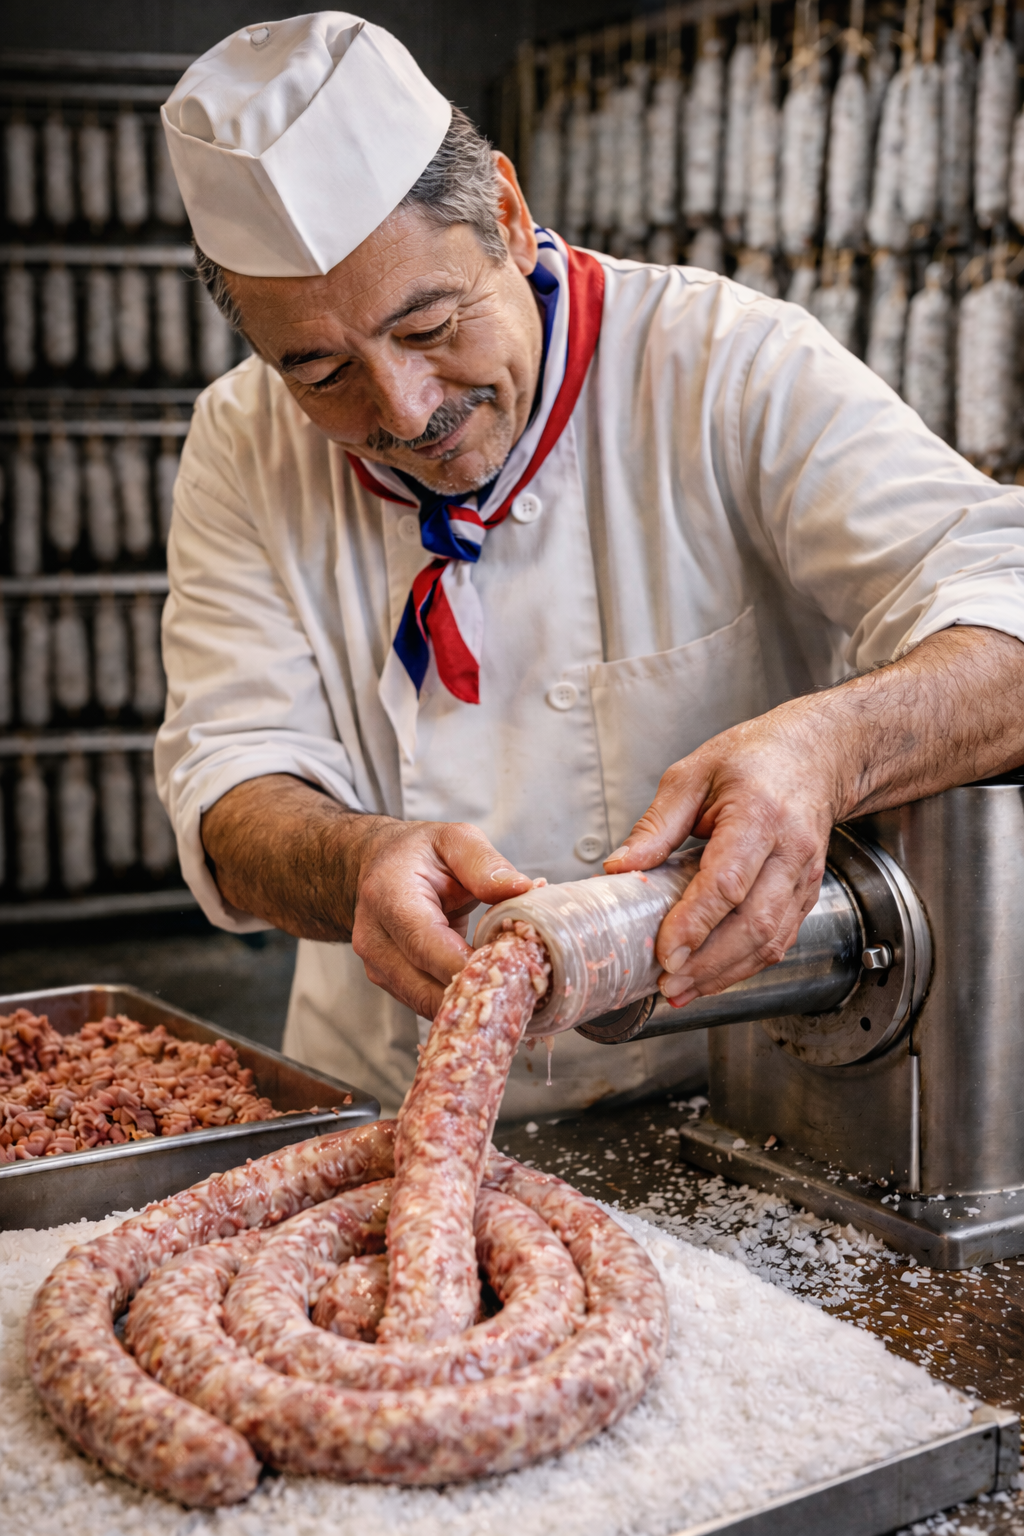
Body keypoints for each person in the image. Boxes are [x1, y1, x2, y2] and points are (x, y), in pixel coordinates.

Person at [156, 12, 1024, 1118]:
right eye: (322, 371)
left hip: (726, 1101)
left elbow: (1006, 592)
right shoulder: (242, 441)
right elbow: (229, 789)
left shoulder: (721, 364)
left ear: (508, 218)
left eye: (428, 325)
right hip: (383, 1107)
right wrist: (355, 862)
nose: (405, 409)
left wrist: (828, 748)